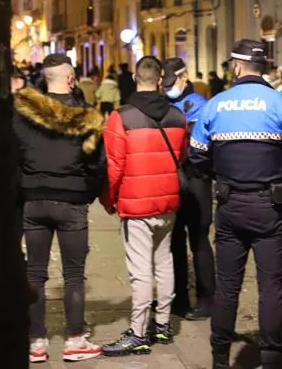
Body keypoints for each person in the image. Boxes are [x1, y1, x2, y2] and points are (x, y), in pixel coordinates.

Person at [189, 39, 282, 369]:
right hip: (272, 209)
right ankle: (272, 359)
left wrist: (221, 174)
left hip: (230, 206)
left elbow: (195, 156)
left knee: (227, 287)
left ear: (236, 66)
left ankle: (220, 359)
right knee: (271, 288)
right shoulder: (281, 103)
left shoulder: (215, 105)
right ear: (265, 68)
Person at [13, 54, 106, 363]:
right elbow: (97, 166)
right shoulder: (87, 117)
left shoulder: (22, 114)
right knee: (74, 276)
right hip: (72, 201)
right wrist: (87, 194)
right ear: (70, 79)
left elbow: (11, 157)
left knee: (35, 274)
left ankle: (36, 342)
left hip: (34, 200)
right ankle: (75, 340)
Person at [100, 56, 188, 356]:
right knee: (164, 262)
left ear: (136, 78)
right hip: (168, 201)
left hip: (136, 204)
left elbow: (113, 166)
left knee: (140, 270)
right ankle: (163, 325)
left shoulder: (121, 117)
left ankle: (138, 332)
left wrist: (110, 201)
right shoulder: (178, 116)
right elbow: (182, 156)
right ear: (162, 79)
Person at [162, 57, 215, 321]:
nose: (169, 89)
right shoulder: (165, 103)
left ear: (184, 77)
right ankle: (179, 298)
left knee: (199, 240)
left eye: (172, 83)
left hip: (195, 181)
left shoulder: (200, 106)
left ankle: (207, 300)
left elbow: (199, 148)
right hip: (172, 180)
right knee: (174, 242)